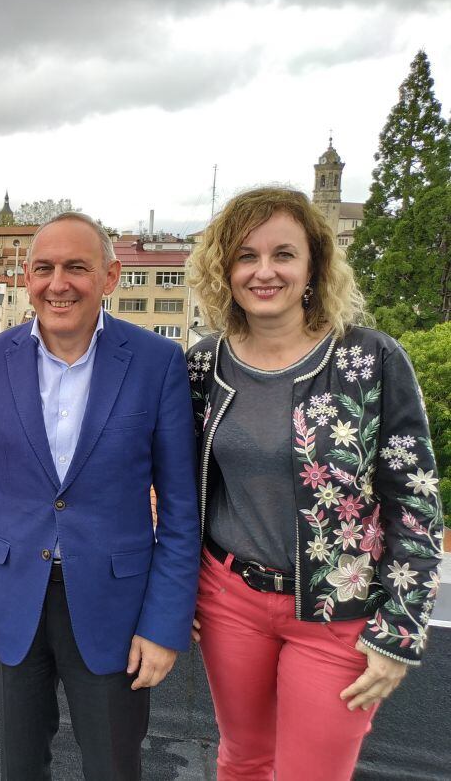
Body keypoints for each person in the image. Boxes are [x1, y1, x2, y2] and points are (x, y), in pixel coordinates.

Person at [186, 186, 444, 780]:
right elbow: (184, 487)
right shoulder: (202, 365)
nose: (264, 271)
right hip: (229, 603)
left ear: (313, 267)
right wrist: (177, 588)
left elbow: (416, 501)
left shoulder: (369, 360)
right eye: (246, 256)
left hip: (339, 613)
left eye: (283, 254)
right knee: (243, 761)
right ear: (225, 270)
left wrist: (399, 632)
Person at [0, 212, 201, 780]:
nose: (57, 283)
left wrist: (164, 624)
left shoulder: (156, 362)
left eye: (76, 268)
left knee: (113, 765)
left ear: (110, 277)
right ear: (26, 276)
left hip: (115, 603)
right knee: (20, 765)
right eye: (44, 268)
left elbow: (182, 510)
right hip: (13, 596)